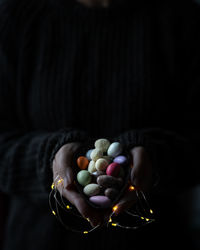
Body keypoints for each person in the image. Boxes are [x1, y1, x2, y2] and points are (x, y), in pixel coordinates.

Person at [0, 0, 200, 249]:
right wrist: (49, 158)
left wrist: (155, 157)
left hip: (156, 240)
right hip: (37, 239)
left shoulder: (183, 18)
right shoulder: (17, 16)